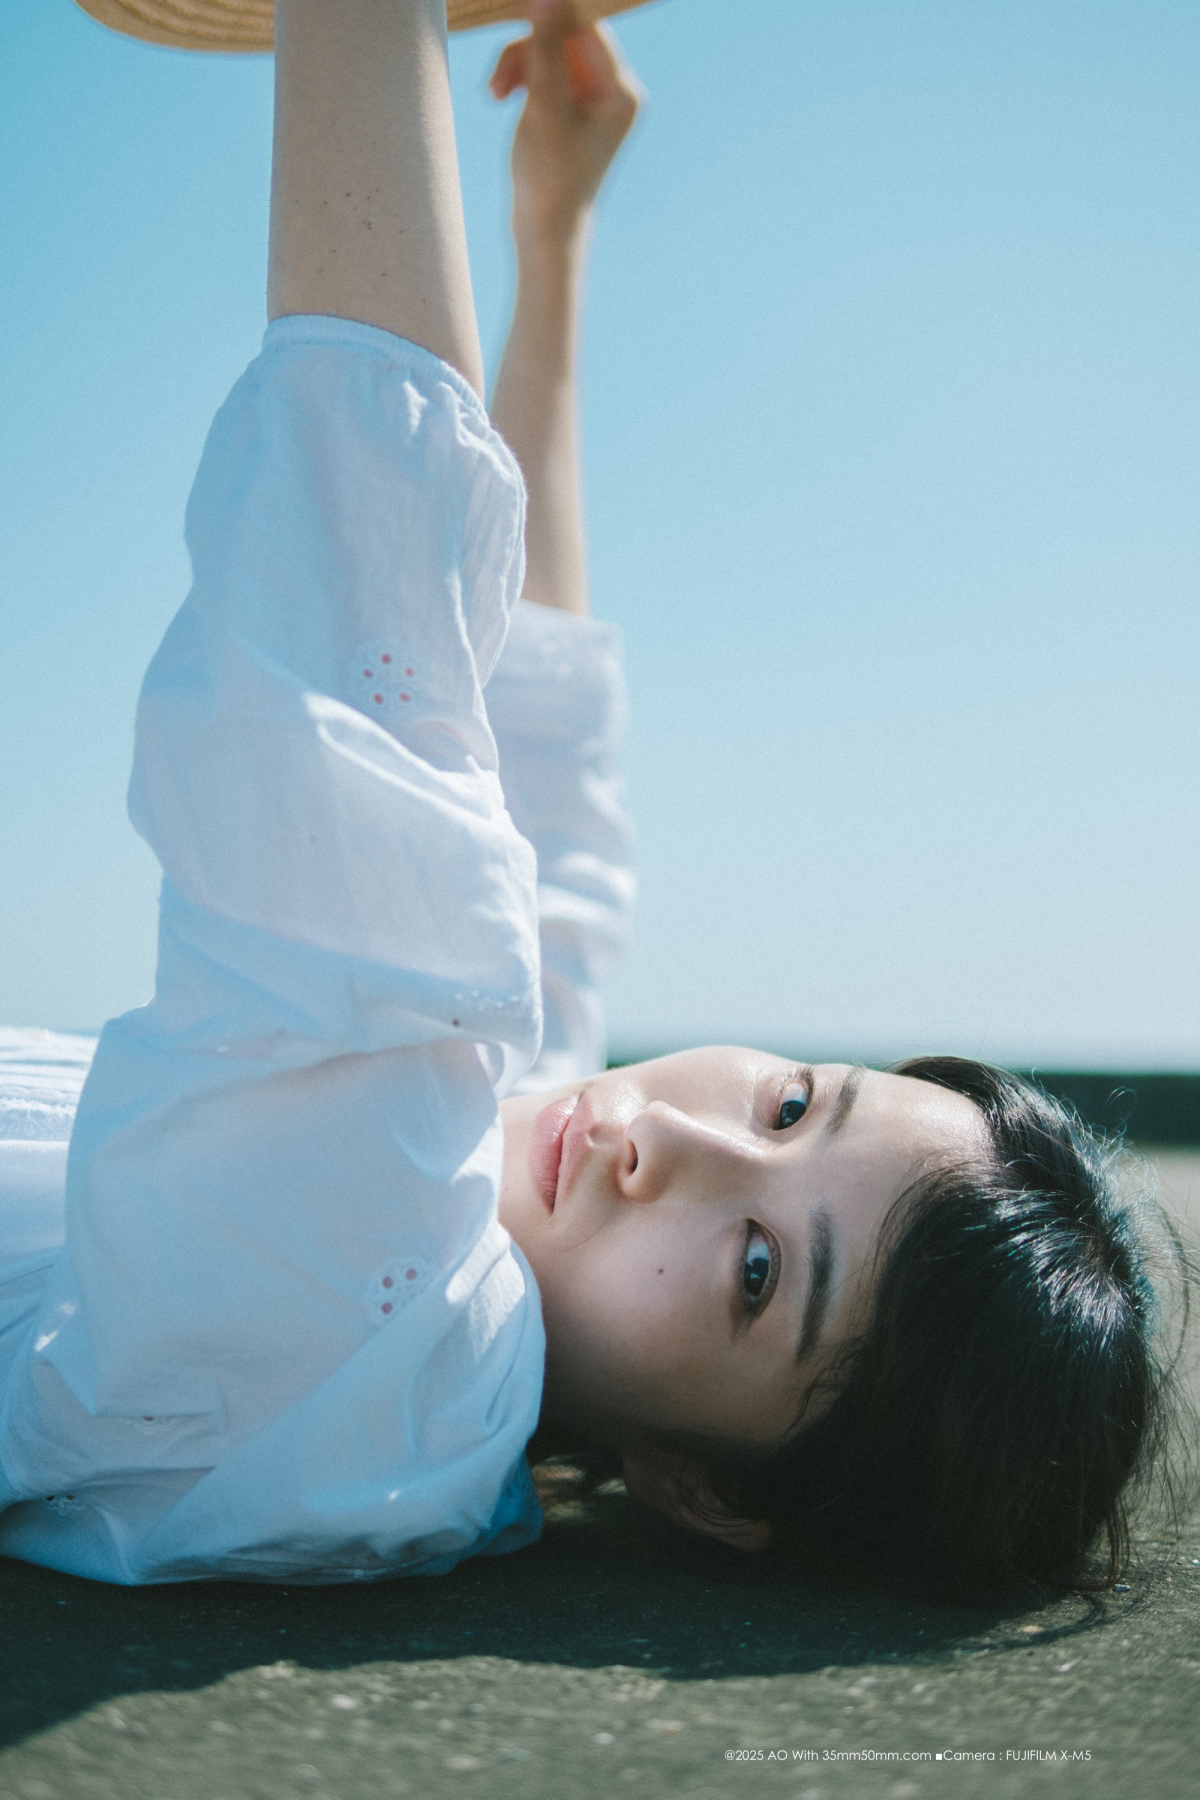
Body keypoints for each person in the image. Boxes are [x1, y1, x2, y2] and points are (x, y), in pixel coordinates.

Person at [0, 0, 1182, 1599]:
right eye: (788, 1105)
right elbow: (538, 735)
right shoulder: (500, 1189)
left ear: (710, 1491)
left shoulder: (390, 1376)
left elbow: (361, 700)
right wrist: (551, 234)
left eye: (757, 1273)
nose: (665, 1139)